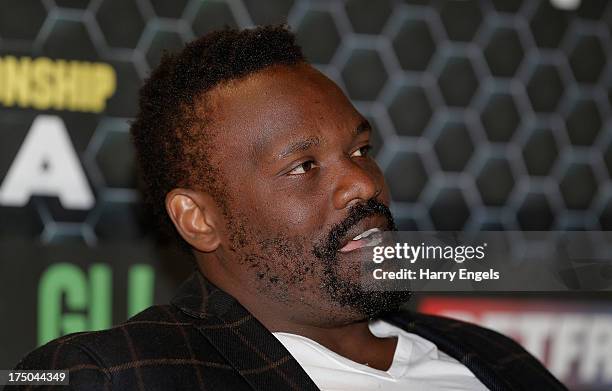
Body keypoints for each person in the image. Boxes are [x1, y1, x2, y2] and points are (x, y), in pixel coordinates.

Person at [10, 25, 566, 390]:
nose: (362, 184)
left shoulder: (497, 361)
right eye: (304, 166)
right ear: (199, 219)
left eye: (361, 150)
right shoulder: (106, 376)